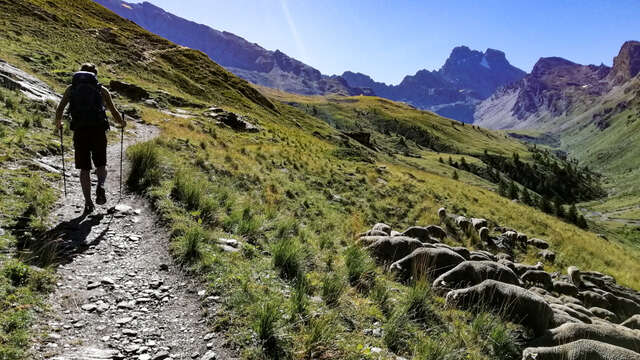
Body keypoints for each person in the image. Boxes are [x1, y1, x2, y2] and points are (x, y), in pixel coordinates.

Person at [55, 63, 126, 214]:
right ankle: (100, 184)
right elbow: (113, 110)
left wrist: (59, 123)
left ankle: (88, 202)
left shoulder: (71, 88)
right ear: (94, 75)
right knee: (101, 164)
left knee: (84, 168)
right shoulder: (101, 89)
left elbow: (60, 108)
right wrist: (121, 122)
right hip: (98, 130)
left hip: (80, 130)